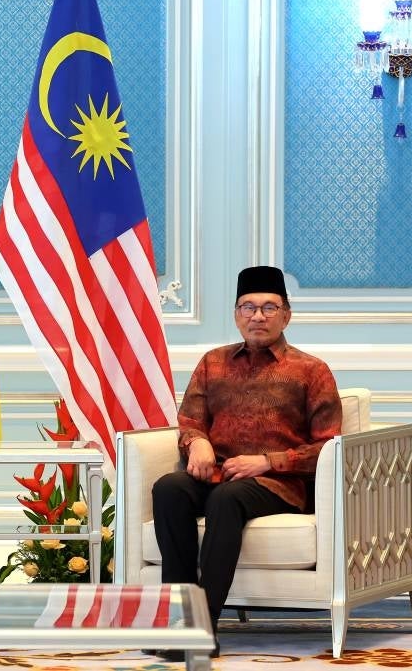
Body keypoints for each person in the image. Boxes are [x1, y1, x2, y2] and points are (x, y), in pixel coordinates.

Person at [146, 266, 342, 660]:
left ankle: (203, 626)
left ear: (287, 315)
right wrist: (197, 441)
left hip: (278, 485)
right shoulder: (212, 363)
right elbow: (189, 421)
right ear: (236, 315)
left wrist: (267, 462)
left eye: (269, 307)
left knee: (226, 499)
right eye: (248, 307)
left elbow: (328, 447)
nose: (258, 316)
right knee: (168, 489)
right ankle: (179, 620)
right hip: (214, 472)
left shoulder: (311, 371)